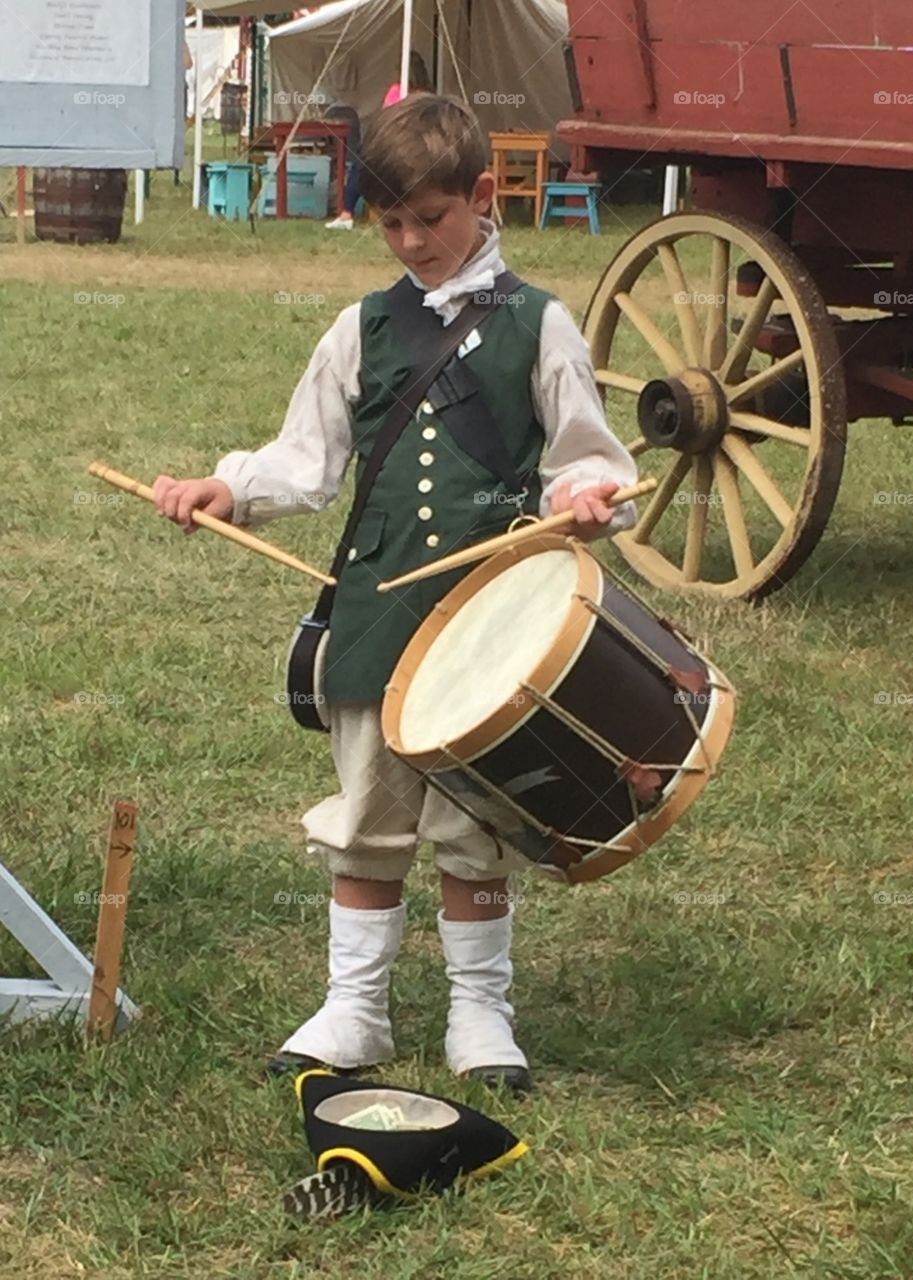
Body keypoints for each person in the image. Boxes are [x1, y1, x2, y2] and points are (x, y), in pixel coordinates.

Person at [151, 95, 637, 1096]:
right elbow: (307, 456)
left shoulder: (538, 324)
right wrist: (229, 485)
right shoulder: (360, 326)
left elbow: (587, 459)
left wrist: (586, 499)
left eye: (432, 219)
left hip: (487, 611)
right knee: (369, 811)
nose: (412, 241)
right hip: (374, 608)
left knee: (473, 826)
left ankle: (478, 1010)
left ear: (480, 197)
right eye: (391, 224)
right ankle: (356, 1007)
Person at [326, 52, 433, 231]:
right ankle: (350, 213)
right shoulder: (419, 94)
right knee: (361, 162)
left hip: (405, 143)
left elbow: (390, 118)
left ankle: (347, 213)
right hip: (404, 142)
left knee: (362, 163)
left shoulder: (411, 94)